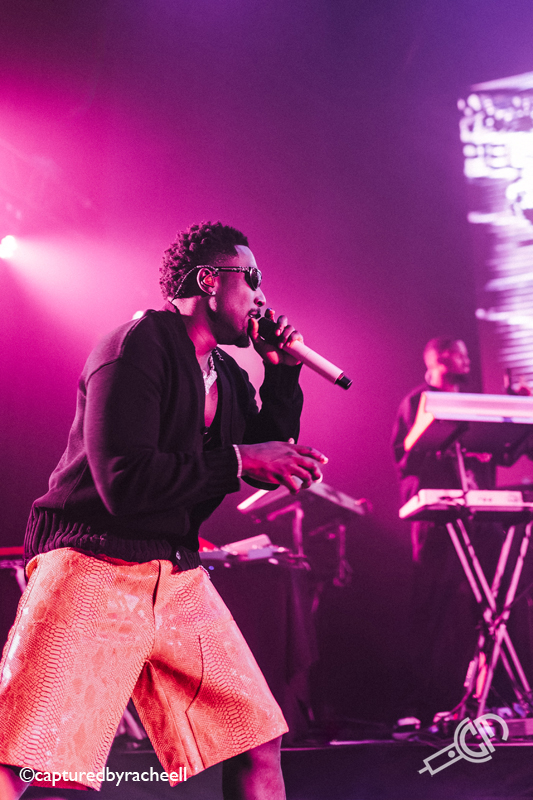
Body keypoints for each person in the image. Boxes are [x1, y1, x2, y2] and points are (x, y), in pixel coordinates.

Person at [0, 221, 328, 799]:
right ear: (209, 280)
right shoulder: (134, 347)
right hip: (92, 564)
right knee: (21, 755)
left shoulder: (227, 375)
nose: (261, 296)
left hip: (175, 576)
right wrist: (240, 459)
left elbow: (263, 454)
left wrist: (281, 372)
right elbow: (123, 483)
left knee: (257, 740)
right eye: (251, 278)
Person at [392, 338, 498, 724]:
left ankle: (483, 699)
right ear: (439, 359)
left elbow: (502, 449)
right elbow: (406, 456)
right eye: (460, 353)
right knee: (431, 606)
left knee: (487, 608)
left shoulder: (473, 403)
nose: (468, 359)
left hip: (479, 515)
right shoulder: (418, 401)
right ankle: (417, 704)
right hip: (437, 517)